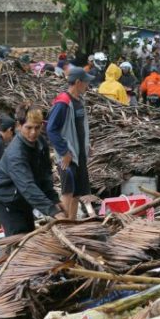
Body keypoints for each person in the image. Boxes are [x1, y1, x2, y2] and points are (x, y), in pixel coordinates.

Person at [0, 108, 60, 234]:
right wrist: (52, 211)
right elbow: (27, 185)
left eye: (37, 127)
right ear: (19, 125)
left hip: (23, 198)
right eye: (28, 128)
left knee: (29, 234)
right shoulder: (16, 153)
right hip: (8, 198)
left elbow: (45, 174)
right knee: (18, 238)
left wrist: (55, 200)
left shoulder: (40, 143)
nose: (33, 132)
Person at [47, 67, 93, 220]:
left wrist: (87, 145)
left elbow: (81, 127)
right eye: (86, 82)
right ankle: (64, 225)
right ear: (78, 82)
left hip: (79, 154)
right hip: (68, 156)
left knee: (77, 192)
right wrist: (64, 152)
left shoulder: (80, 101)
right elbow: (51, 129)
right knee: (67, 191)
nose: (88, 86)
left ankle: (72, 223)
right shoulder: (63, 102)